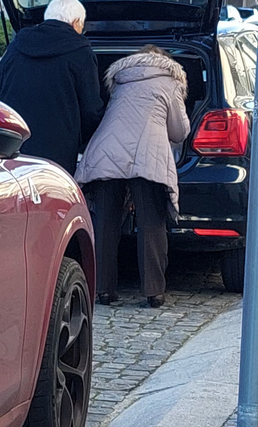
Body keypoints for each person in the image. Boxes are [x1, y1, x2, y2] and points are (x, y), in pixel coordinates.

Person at [75, 46, 189, 307]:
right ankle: (153, 292)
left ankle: (103, 289)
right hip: (147, 154)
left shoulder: (121, 82)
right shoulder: (170, 82)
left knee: (105, 222)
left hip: (105, 151)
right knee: (151, 221)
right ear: (164, 62)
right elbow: (180, 131)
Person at [0, 0, 104, 172]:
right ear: (76, 21)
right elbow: (91, 108)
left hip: (13, 144)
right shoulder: (80, 52)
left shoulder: (17, 46)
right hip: (57, 151)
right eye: (82, 26)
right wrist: (85, 143)